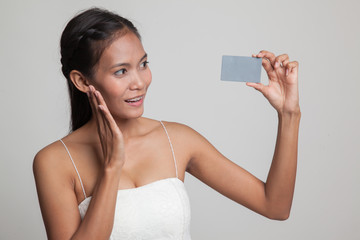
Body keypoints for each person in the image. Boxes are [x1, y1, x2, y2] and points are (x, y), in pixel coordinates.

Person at [33, 7, 301, 240]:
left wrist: (289, 115)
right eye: (121, 71)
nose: (140, 82)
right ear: (82, 81)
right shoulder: (54, 162)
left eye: (143, 64)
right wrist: (111, 167)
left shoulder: (178, 139)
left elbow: (275, 206)